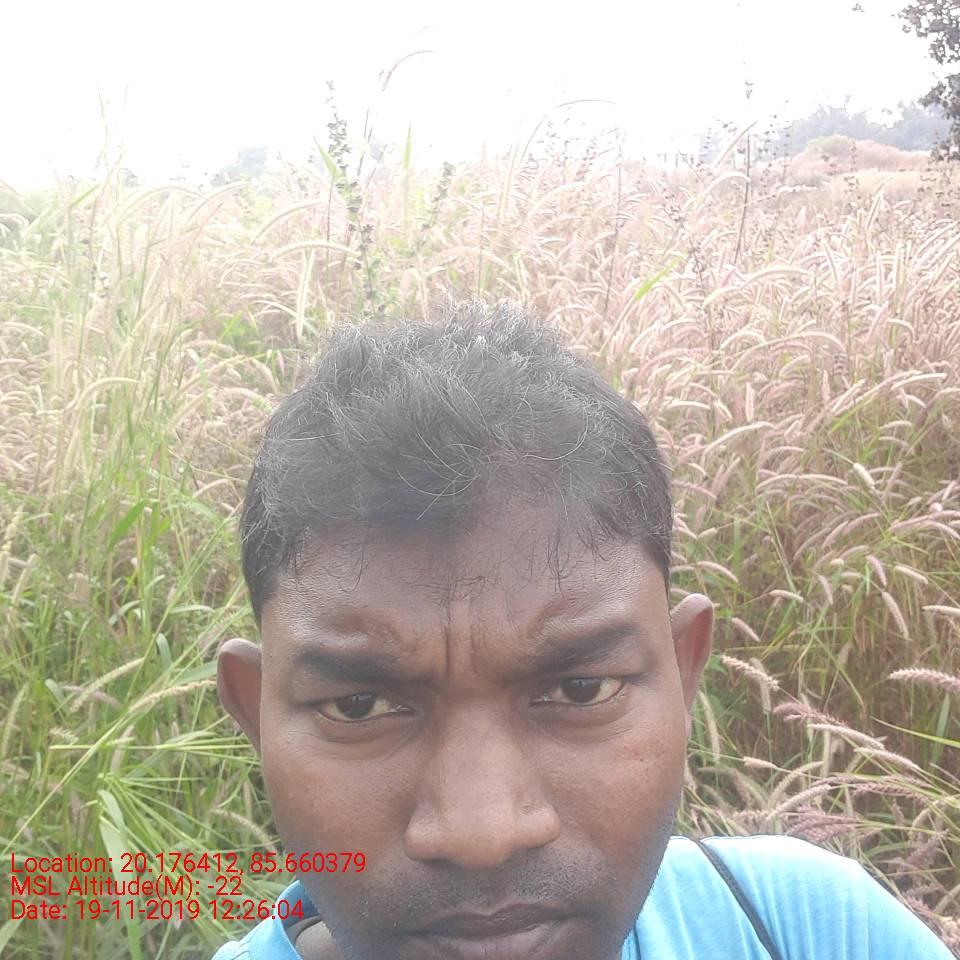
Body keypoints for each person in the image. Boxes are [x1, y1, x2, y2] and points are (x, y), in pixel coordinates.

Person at [214, 300, 953, 959]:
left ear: (683, 673)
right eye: (359, 706)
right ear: (254, 713)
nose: (482, 834)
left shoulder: (809, 929)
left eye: (580, 688)